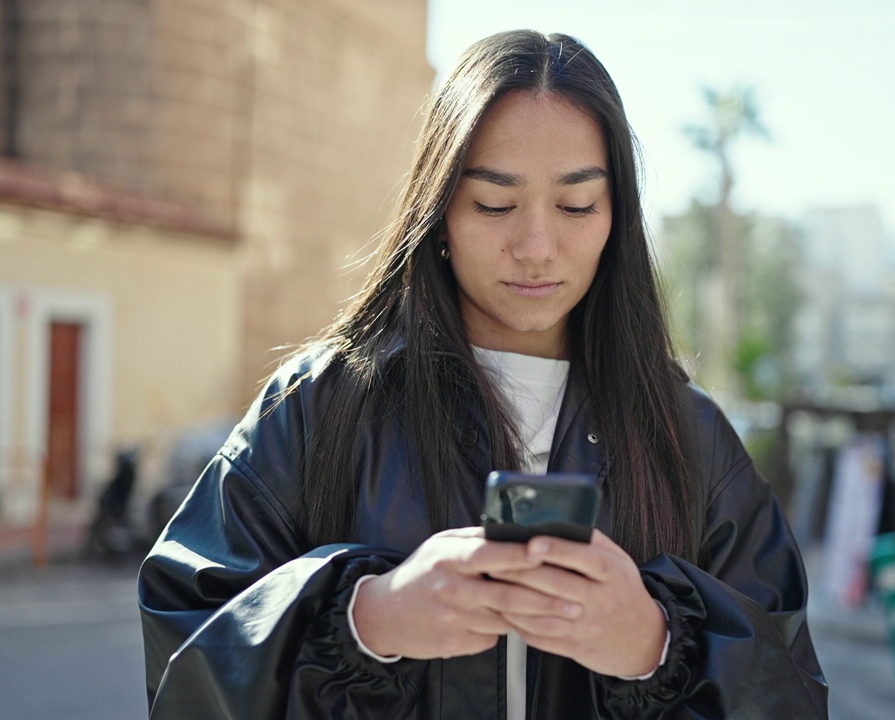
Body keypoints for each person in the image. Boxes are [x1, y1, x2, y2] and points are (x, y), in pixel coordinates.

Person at [138, 30, 827, 719]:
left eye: (577, 205)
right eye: (495, 204)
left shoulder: (690, 436)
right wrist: (367, 621)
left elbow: (791, 687)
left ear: (617, 217)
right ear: (438, 212)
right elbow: (186, 662)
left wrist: (653, 642)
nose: (536, 246)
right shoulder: (318, 405)